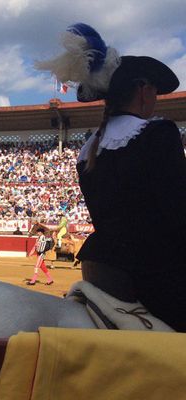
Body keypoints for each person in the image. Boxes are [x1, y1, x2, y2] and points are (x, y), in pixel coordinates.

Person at [38, 23, 186, 331]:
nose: (156, 98)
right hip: (153, 271)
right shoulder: (158, 133)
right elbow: (178, 211)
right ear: (144, 91)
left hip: (101, 266)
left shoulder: (90, 149)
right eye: (155, 91)